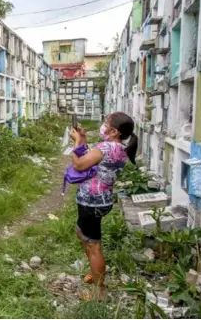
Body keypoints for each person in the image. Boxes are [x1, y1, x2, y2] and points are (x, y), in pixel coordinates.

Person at [69, 112, 138, 301]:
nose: (103, 126)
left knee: (93, 245)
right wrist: (82, 138)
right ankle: (95, 270)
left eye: (106, 124)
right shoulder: (120, 148)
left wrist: (75, 143)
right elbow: (94, 159)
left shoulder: (105, 147)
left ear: (114, 131)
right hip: (102, 201)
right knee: (81, 233)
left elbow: (80, 165)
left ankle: (100, 292)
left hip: (91, 202)